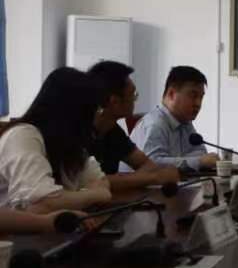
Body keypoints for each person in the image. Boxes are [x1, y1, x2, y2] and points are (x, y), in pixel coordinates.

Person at [0, 68, 112, 213]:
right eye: (94, 110)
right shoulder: (22, 136)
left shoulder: (69, 144)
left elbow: (101, 181)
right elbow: (43, 203)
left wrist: (78, 197)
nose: (95, 118)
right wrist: (94, 195)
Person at [87, 61, 180, 190]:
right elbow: (88, 183)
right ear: (114, 102)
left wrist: (122, 180)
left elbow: (149, 166)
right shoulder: (79, 132)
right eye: (133, 95)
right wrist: (152, 178)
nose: (135, 100)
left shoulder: (112, 130)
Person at [130, 66, 219, 171]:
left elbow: (200, 152)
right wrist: (197, 161)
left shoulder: (185, 121)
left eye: (201, 97)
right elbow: (152, 163)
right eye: (193, 96)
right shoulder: (155, 124)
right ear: (171, 94)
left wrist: (190, 161)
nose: (198, 104)